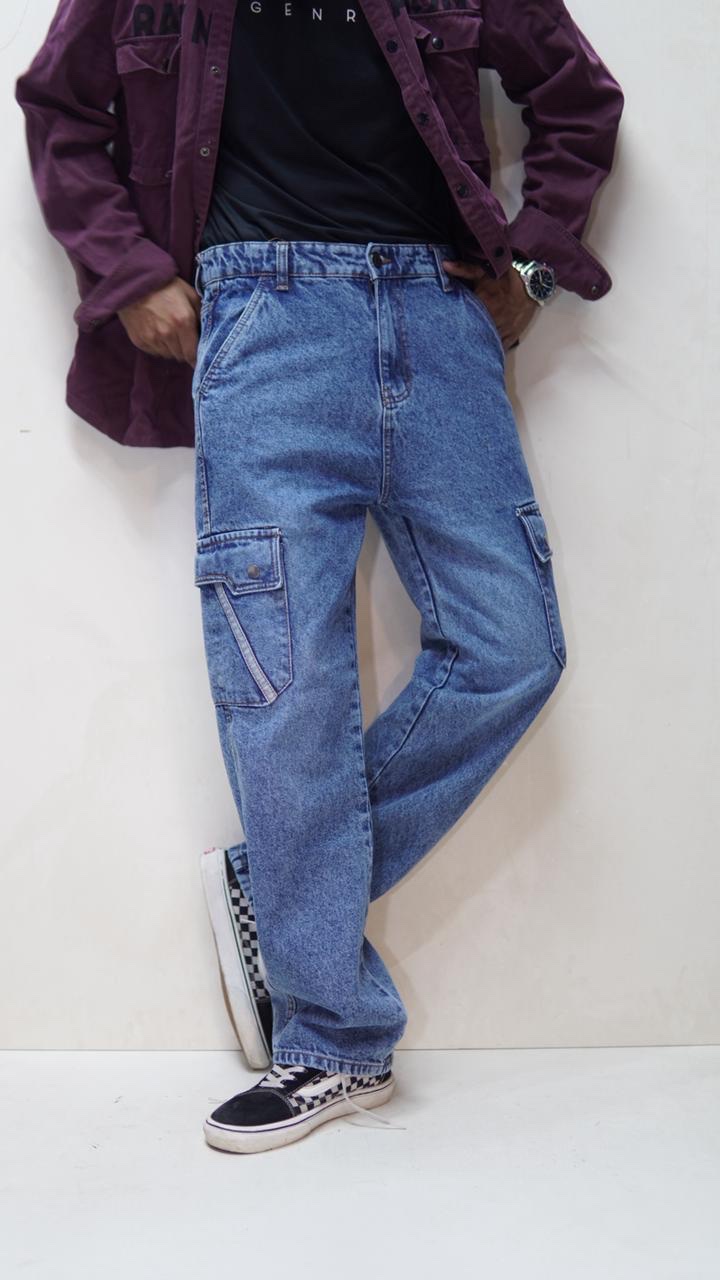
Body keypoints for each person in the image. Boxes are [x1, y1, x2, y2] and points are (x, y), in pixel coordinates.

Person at [15, 0, 624, 1155]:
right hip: (262, 320)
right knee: (284, 682)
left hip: (440, 313)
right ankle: (331, 1038)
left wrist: (534, 265)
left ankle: (279, 889)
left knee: (512, 647)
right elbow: (59, 106)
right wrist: (127, 271)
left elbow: (576, 95)